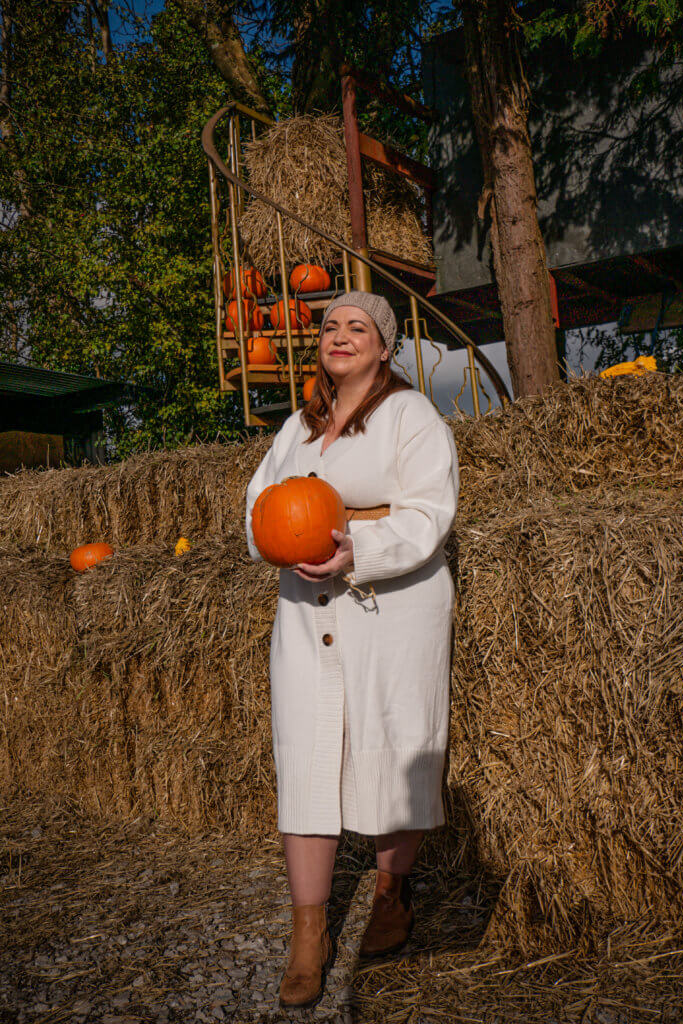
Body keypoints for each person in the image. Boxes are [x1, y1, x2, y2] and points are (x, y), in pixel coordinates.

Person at [244, 291, 459, 1009]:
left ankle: (393, 893)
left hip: (390, 607)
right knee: (305, 757)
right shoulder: (296, 430)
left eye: (357, 328)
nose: (340, 336)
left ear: (384, 346)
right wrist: (277, 537)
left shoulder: (410, 416)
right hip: (305, 613)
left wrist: (355, 547)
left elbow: (430, 511)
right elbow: (258, 508)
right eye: (330, 326)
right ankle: (310, 938)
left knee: (391, 748)